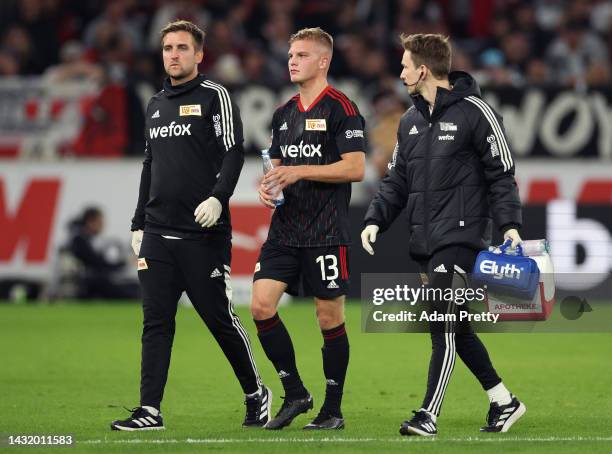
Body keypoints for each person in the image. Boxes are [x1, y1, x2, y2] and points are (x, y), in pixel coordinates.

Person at [361, 33, 526, 436]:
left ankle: (428, 415)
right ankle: (504, 401)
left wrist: (510, 227)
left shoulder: (476, 112)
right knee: (457, 328)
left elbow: (501, 174)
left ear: (422, 69)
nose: (399, 72)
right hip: (425, 242)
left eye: (404, 65)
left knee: (439, 324)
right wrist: (374, 219)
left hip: (462, 238)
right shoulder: (410, 121)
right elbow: (396, 180)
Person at [110, 20, 270, 431]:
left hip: (203, 234)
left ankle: (256, 392)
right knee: (156, 322)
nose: (174, 55)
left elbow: (235, 152)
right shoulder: (156, 103)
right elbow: (150, 165)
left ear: (199, 54)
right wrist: (137, 222)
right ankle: (150, 409)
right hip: (158, 234)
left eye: (182, 47)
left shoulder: (215, 96)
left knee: (219, 320)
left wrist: (219, 198)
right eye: (168, 48)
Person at [251, 27, 366, 431]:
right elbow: (277, 167)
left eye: (301, 55)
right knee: (261, 306)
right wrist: (267, 186)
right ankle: (296, 392)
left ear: (323, 61)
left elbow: (355, 167)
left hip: (327, 232)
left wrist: (298, 171)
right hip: (285, 229)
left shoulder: (342, 108)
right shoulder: (283, 113)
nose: (292, 61)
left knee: (328, 317)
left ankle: (332, 409)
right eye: (290, 55)